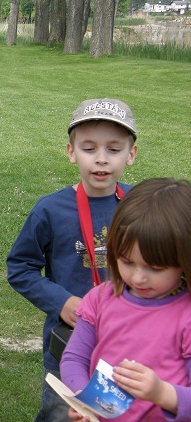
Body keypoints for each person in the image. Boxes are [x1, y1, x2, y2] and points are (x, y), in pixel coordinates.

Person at [6, 98, 139, 421]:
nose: (101, 160)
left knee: (124, 411)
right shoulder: (50, 210)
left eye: (114, 149)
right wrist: (62, 302)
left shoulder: (141, 206)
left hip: (131, 339)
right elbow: (20, 268)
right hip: (70, 342)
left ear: (131, 154)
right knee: (62, 412)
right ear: (71, 152)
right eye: (89, 148)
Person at [60, 178, 191, 421]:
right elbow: (75, 357)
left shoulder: (186, 316)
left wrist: (162, 392)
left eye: (155, 268)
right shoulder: (100, 299)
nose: (138, 277)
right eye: (127, 262)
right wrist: (81, 396)